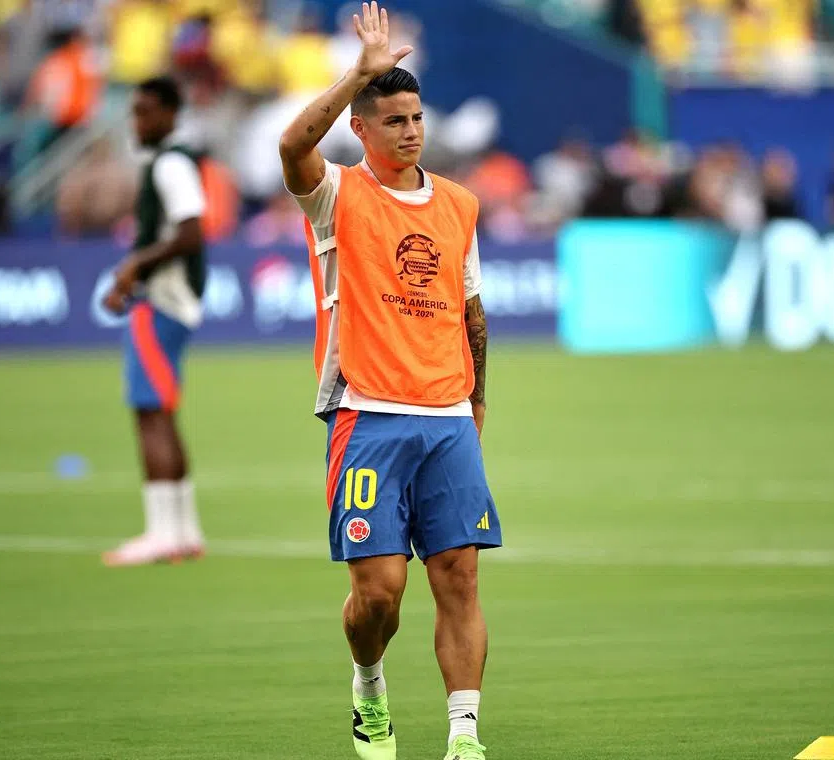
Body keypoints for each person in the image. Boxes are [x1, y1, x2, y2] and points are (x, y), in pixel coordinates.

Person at [278, 5, 501, 760]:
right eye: (393, 118)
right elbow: (290, 145)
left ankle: (464, 736)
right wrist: (357, 75)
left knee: (460, 578)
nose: (410, 130)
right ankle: (368, 685)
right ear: (362, 130)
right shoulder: (335, 197)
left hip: (445, 419)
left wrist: (476, 404)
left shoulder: (459, 205)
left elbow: (470, 311)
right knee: (379, 594)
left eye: (416, 116)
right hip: (367, 415)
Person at [101, 76, 208, 567]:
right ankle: (183, 531)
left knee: (150, 412)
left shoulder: (169, 164)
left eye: (145, 112)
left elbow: (190, 233)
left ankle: (162, 534)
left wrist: (134, 266)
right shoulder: (169, 162)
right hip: (172, 299)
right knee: (160, 411)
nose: (136, 122)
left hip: (163, 301)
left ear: (170, 113)